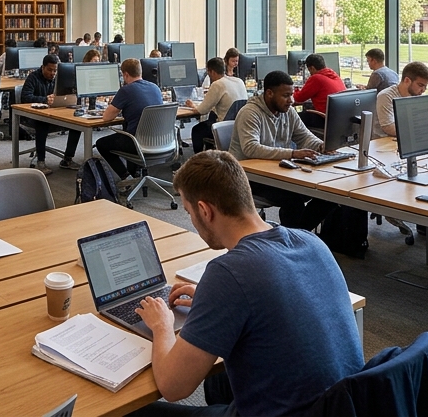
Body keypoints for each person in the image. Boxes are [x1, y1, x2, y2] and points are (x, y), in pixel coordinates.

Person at [132, 150, 363, 417]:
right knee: (218, 382)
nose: (192, 220)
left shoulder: (229, 272)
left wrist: (162, 325)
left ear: (205, 210)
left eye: (188, 211)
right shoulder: (311, 242)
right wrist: (213, 300)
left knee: (132, 412)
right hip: (341, 406)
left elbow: (173, 387)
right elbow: (271, 295)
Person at [229, 71, 334, 230]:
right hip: (249, 177)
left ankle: (297, 236)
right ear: (269, 93)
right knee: (293, 198)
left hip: (278, 172)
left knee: (327, 193)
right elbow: (251, 148)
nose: (291, 100)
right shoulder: (250, 113)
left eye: (292, 94)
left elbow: (304, 136)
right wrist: (292, 153)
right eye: (286, 95)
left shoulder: (288, 111)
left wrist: (321, 146)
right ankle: (293, 240)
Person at [95, 58, 163, 179]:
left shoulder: (126, 90)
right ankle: (134, 172)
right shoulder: (155, 88)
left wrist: (117, 105)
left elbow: (106, 118)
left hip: (137, 142)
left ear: (125, 74)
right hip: (159, 140)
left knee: (101, 144)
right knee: (127, 128)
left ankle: (126, 177)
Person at [20, 54, 81, 174]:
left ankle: (67, 159)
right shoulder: (33, 77)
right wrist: (45, 99)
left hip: (56, 113)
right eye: (50, 70)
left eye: (55, 70)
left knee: (78, 125)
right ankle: (41, 161)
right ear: (43, 67)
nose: (53, 73)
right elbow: (25, 97)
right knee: (42, 124)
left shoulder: (60, 78)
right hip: (34, 116)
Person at [187, 58, 246, 153]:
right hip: (239, 126)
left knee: (196, 130)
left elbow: (202, 111)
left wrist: (192, 105)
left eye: (208, 73)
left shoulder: (217, 84)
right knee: (209, 120)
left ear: (212, 72)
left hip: (223, 128)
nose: (208, 76)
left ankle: (198, 161)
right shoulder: (239, 81)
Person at [373, 61, 428, 138]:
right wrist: (419, 130)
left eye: (425, 86)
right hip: (385, 141)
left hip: (406, 137)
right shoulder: (386, 96)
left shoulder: (415, 95)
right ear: (407, 80)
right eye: (420, 85)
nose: (423, 90)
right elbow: (389, 127)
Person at [292, 53, 344, 130]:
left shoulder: (316, 78)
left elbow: (298, 98)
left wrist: (293, 90)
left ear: (312, 68)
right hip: (338, 119)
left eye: (309, 70)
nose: (310, 73)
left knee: (292, 118)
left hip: (324, 118)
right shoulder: (333, 74)